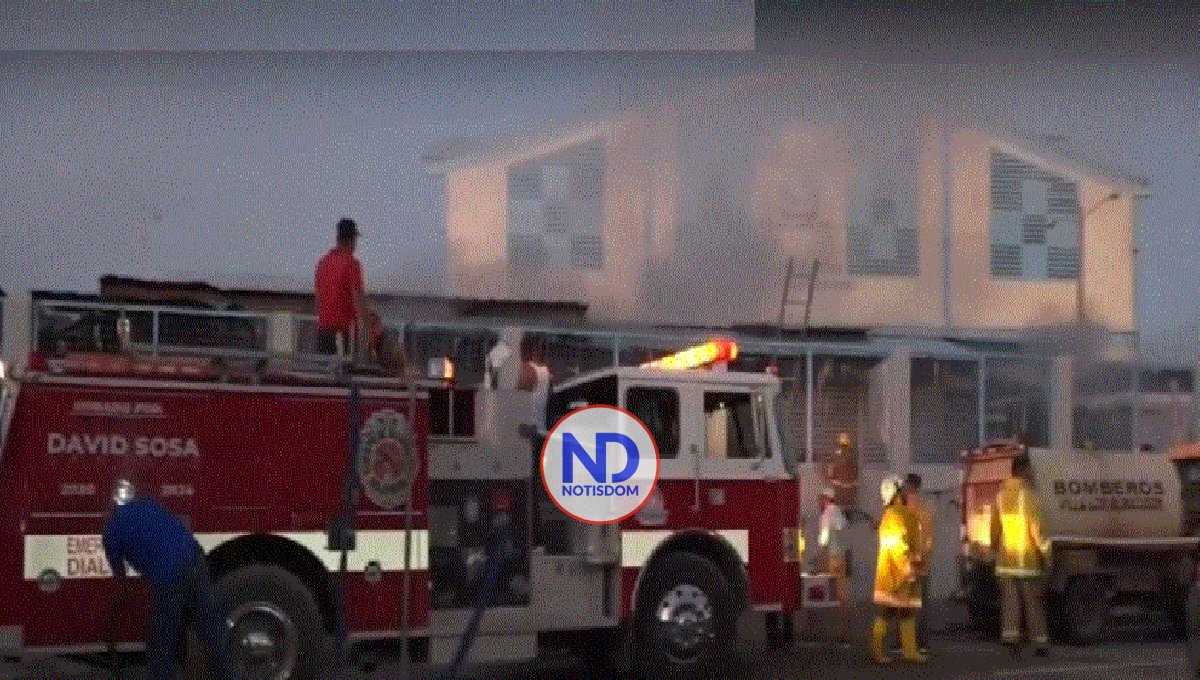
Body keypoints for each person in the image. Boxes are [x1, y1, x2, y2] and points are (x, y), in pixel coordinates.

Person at [103, 479, 231, 679]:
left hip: (169, 574)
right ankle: (225, 674)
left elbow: (122, 584)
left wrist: (112, 625)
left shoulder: (110, 534)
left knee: (160, 643)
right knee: (209, 629)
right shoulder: (147, 504)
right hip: (194, 557)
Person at [990, 452, 1050, 658]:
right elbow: (1037, 530)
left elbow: (995, 528)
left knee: (1010, 604)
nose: (1032, 473)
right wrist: (1046, 554)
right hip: (1027, 562)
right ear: (1023, 470)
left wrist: (994, 548)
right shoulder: (1029, 496)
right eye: (1030, 469)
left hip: (1006, 561)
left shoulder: (1000, 495)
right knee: (1033, 604)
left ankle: (1010, 639)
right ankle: (1040, 642)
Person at [871, 475, 926, 665]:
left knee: (906, 612)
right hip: (896, 574)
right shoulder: (895, 515)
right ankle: (878, 651)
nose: (905, 492)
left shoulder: (898, 513)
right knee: (887, 611)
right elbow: (897, 546)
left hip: (899, 571)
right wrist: (908, 569)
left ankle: (910, 652)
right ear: (895, 493)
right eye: (901, 489)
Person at [315, 217, 375, 358]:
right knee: (344, 370)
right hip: (342, 335)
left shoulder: (323, 263)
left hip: (322, 333)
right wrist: (369, 331)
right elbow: (359, 300)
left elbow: (318, 299)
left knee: (323, 370)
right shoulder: (351, 264)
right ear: (351, 240)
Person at [903, 473, 934, 655]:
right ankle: (921, 642)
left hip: (906, 565)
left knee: (905, 605)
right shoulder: (926, 509)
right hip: (922, 564)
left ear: (909, 487)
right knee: (920, 606)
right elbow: (928, 539)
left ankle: (905, 643)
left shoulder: (905, 510)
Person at [818, 487, 850, 645]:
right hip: (842, 556)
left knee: (827, 593)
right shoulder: (839, 513)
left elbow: (824, 539)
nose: (819, 502)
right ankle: (844, 630)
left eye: (821, 499)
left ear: (826, 498)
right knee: (842, 594)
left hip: (833, 557)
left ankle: (833, 631)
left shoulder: (827, 513)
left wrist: (819, 558)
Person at [823, 432, 860, 510]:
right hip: (844, 485)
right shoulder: (846, 453)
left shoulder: (849, 453)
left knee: (845, 504)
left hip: (845, 485)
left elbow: (852, 468)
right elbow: (833, 466)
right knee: (844, 504)